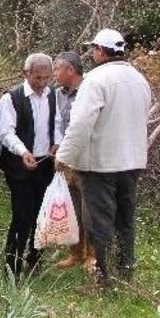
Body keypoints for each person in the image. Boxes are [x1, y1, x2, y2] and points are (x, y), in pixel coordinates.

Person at [56, 29, 151, 288]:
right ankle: (126, 273)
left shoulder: (96, 79)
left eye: (94, 49)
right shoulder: (139, 79)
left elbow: (81, 124)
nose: (93, 53)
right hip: (131, 162)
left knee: (99, 223)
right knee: (125, 220)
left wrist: (64, 156)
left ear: (100, 51)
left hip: (99, 164)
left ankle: (104, 280)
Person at [0, 53, 56, 277]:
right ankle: (12, 264)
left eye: (46, 78)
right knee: (22, 215)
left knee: (41, 214)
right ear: (26, 73)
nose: (42, 83)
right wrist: (23, 152)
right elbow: (6, 132)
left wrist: (56, 144)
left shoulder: (53, 96)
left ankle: (35, 258)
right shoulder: (12, 98)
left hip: (45, 164)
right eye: (37, 78)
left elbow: (58, 124)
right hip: (19, 165)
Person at [51, 52, 93, 269]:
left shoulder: (89, 91)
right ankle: (75, 253)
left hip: (86, 158)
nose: (54, 73)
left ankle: (91, 255)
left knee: (89, 208)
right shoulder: (56, 94)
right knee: (72, 207)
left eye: (57, 68)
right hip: (64, 159)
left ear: (70, 70)